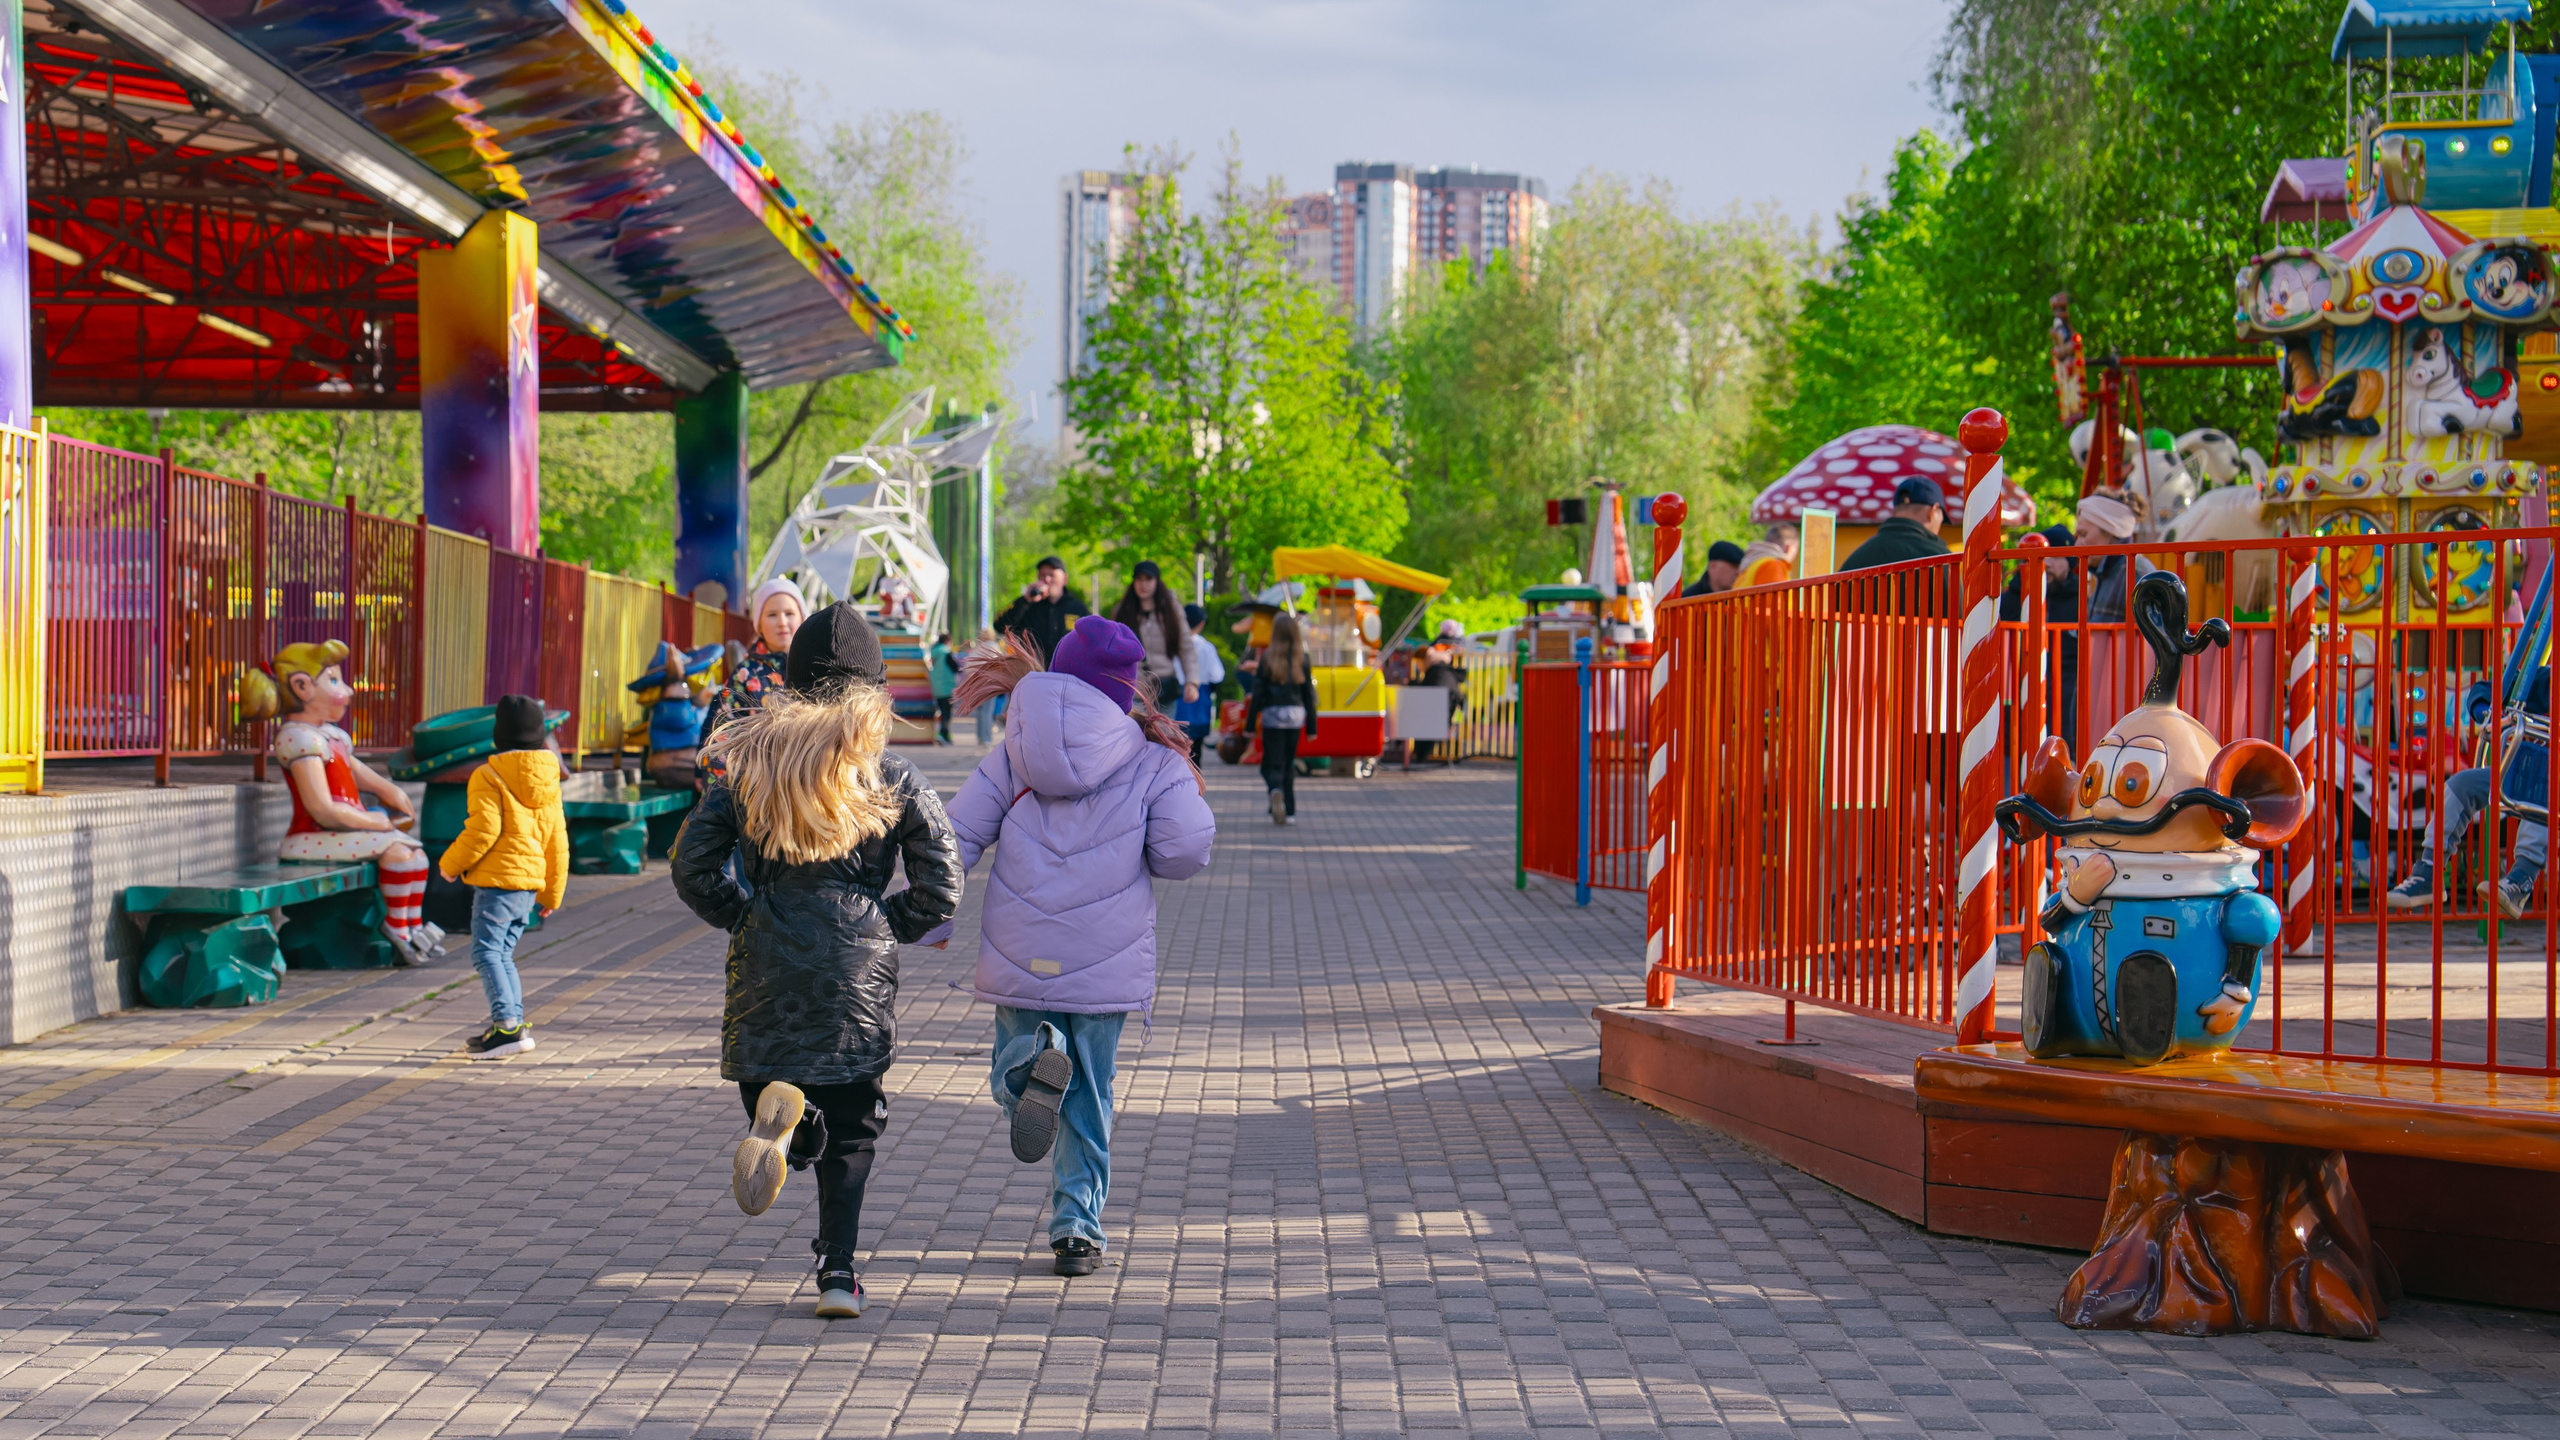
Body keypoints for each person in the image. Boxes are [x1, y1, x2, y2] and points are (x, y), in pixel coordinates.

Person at [670, 602, 963, 1320]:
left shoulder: (749, 762)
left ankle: (789, 1127)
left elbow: (690, 866)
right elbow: (943, 885)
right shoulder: (889, 772)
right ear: (873, 686)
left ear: (793, 682)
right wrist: (880, 923)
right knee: (856, 1119)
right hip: (856, 967)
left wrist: (744, 914)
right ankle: (838, 1271)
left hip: (767, 952)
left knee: (775, 1078)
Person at [940, 617, 1215, 1277]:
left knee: (1021, 1070)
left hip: (1019, 948)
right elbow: (1184, 851)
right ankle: (1076, 1229)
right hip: (1105, 956)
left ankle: (1030, 1064)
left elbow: (953, 836)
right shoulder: (1152, 760)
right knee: (1091, 1095)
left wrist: (925, 917)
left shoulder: (1013, 749)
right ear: (1125, 690)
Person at [233, 638, 441, 963]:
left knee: (416, 856)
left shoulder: (332, 736)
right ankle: (397, 927)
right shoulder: (299, 739)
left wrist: (392, 792)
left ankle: (409, 926)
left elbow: (358, 773)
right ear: (302, 687)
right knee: (401, 855)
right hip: (312, 837)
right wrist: (376, 821)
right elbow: (322, 810)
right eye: (333, 680)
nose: (348, 689)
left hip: (343, 833)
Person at [436, 694, 568, 1060]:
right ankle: (510, 1025)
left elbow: (482, 830)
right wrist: (552, 893)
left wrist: (450, 864)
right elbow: (558, 839)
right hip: (529, 885)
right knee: (503, 954)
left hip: (498, 882)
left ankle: (507, 1026)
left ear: (498, 736)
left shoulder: (488, 774)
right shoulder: (548, 775)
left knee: (487, 952)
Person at [2388, 667, 2551, 919]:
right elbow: (2485, 689)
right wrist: (2487, 711)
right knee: (2461, 785)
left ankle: (2522, 878)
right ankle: (2429, 870)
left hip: (2547, 785)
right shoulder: (2550, 680)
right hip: (2531, 773)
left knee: (2542, 795)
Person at [702, 578, 805, 749]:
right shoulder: (745, 674)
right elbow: (724, 735)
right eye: (772, 615)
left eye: (789, 613)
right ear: (759, 625)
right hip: (759, 773)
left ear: (803, 618)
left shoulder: (816, 667)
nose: (782, 622)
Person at [1247, 612, 1319, 825]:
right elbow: (1309, 695)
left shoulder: (1267, 659)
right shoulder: (1303, 660)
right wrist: (1312, 727)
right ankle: (1290, 810)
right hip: (1296, 716)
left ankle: (1275, 789)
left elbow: (1257, 693)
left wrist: (1250, 725)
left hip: (1273, 717)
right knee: (1289, 763)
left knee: (1270, 764)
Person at [1110, 561, 1195, 711]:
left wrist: (1192, 682)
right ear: (1133, 582)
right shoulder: (1122, 612)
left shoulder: (1172, 611)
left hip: (1165, 690)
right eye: (1139, 579)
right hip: (1133, 691)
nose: (1143, 584)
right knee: (1134, 734)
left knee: (1164, 734)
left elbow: (1186, 647)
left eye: (1148, 579)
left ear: (1157, 581)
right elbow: (1112, 652)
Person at [1839, 480, 1950, 571]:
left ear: (1896, 510)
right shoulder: (1939, 559)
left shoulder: (1855, 559)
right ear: (1933, 511)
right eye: (1942, 516)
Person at [2076, 493, 2153, 624]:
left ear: (2108, 532)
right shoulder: (2107, 572)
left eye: (2083, 534)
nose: (2077, 544)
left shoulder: (2136, 574)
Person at [994, 557, 1091, 659]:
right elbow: (999, 626)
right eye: (1042, 575)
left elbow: (1091, 640)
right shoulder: (1027, 606)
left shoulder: (1077, 608)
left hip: (1067, 671)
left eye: (1052, 575)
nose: (1046, 579)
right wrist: (1025, 599)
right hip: (1033, 671)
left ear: (1064, 579)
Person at [1174, 603, 1223, 764]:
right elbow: (1217, 676)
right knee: (1195, 754)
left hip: (1175, 702)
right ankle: (1195, 787)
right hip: (1199, 701)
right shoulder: (1207, 647)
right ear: (1201, 624)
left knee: (1174, 754)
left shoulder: (1170, 645)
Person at [1733, 524, 1799, 588]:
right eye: (1796, 549)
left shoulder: (1751, 564)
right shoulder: (1773, 566)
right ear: (1789, 548)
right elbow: (1776, 598)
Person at [928, 632, 961, 743]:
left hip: (937, 687)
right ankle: (944, 734)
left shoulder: (934, 652)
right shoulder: (946, 652)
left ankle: (943, 733)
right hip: (947, 687)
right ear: (948, 642)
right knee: (947, 712)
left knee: (942, 710)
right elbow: (955, 668)